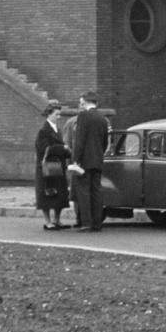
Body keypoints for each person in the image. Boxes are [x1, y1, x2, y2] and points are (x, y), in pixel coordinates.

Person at [66, 90, 110, 233]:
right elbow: (105, 141)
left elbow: (80, 140)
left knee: (83, 191)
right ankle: (97, 223)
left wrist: (76, 160)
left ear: (85, 102)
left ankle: (86, 223)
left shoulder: (83, 116)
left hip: (84, 161)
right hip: (97, 160)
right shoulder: (102, 118)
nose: (80, 104)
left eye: (81, 102)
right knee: (96, 191)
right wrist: (99, 154)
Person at [33, 101, 70, 230]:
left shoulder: (57, 129)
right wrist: (62, 148)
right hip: (47, 167)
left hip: (57, 166)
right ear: (49, 114)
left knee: (59, 193)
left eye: (59, 114)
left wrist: (67, 152)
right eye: (56, 114)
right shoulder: (43, 131)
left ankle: (57, 220)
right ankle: (48, 221)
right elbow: (43, 148)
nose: (58, 117)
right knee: (47, 193)